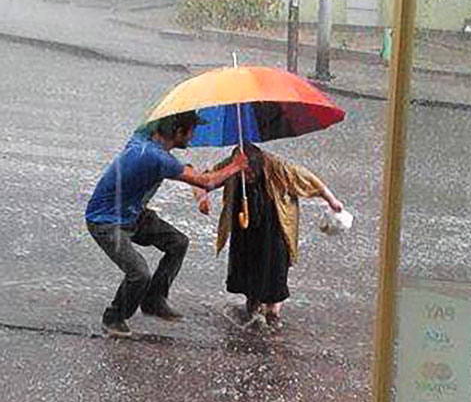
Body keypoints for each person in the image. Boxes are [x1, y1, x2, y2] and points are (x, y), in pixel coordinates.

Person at [85, 111, 248, 339]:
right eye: (191, 131)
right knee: (139, 273)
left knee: (178, 243)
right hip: (106, 222)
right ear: (178, 132)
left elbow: (192, 173)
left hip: (133, 214)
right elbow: (207, 181)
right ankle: (113, 317)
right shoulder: (157, 158)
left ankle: (153, 300)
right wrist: (236, 166)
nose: (192, 137)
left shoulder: (143, 137)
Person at [195, 142, 343, 328]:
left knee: (275, 268)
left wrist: (332, 201)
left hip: (274, 224)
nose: (245, 177)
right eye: (241, 173)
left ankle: (274, 315)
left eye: (249, 173)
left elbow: (310, 181)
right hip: (245, 225)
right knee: (248, 269)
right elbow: (204, 180)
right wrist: (202, 198)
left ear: (258, 166)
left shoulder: (277, 166)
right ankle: (253, 310)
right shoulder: (232, 164)